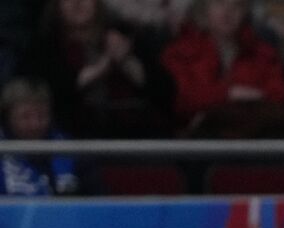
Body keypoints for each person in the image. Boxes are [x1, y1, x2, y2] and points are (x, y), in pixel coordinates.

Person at [18, 0, 174, 137]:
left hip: (137, 137)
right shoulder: (44, 48)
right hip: (74, 138)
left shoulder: (126, 38)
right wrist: (100, 69)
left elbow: (165, 91)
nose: (77, 3)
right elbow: (44, 95)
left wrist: (127, 61)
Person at [160, 0, 284, 136]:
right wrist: (229, 94)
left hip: (253, 140)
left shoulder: (263, 55)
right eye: (219, 4)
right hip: (197, 143)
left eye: (236, 5)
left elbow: (278, 96)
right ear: (203, 10)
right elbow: (180, 98)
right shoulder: (179, 53)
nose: (228, 12)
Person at [0, 78, 81, 196]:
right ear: (9, 117)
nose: (35, 124)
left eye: (42, 116)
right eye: (25, 117)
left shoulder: (70, 149)